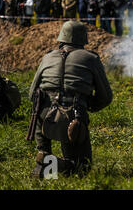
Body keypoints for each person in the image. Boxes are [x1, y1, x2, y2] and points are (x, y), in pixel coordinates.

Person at [29, 21, 113, 178]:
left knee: (42, 114)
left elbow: (32, 93)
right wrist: (88, 106)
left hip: (44, 116)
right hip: (73, 116)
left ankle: (45, 159)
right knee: (82, 168)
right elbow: (106, 97)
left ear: (61, 39)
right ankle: (57, 164)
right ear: (84, 39)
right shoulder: (90, 59)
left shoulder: (47, 57)